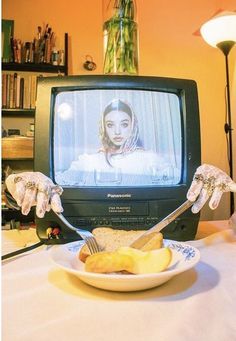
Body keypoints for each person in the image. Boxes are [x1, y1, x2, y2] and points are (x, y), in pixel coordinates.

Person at [55, 99, 175, 186]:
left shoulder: (149, 159)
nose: (117, 131)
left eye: (124, 124)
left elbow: (183, 181)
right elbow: (55, 182)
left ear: (133, 126)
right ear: (104, 128)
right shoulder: (89, 161)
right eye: (110, 125)